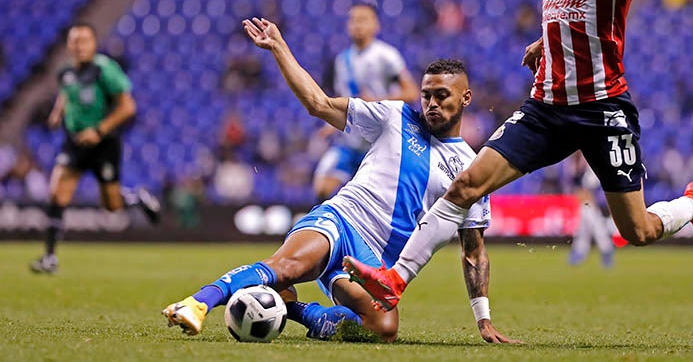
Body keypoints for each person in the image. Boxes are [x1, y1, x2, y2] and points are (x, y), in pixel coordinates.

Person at [343, 0, 693, 312]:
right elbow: (573, 15)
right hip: (546, 108)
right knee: (466, 185)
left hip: (602, 110)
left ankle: (692, 204)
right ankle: (396, 279)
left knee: (637, 231)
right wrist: (544, 42)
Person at [162, 18, 517, 344]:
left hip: (371, 264)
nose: (432, 104)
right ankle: (197, 303)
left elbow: (473, 250)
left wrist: (483, 319)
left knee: (383, 329)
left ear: (466, 98)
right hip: (342, 220)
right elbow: (318, 104)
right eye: (427, 95)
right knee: (286, 269)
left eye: (442, 96)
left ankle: (291, 309)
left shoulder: (472, 169)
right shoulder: (394, 115)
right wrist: (279, 48)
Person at [30, 24, 160, 274]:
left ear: (93, 44)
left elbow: (127, 107)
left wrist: (99, 130)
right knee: (57, 195)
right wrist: (58, 113)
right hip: (75, 142)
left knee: (111, 205)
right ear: (69, 45)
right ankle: (49, 258)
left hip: (104, 144)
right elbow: (66, 92)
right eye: (75, 41)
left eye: (84, 41)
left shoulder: (105, 69)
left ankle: (135, 199)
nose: (79, 46)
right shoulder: (65, 71)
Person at [312, 0, 418, 201]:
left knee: (378, 200)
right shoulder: (342, 60)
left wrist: (375, 101)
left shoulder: (387, 56)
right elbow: (346, 100)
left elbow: (412, 93)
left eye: (363, 20)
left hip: (377, 143)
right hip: (349, 141)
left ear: (375, 25)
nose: (357, 25)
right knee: (322, 189)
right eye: (353, 20)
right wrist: (332, 125)